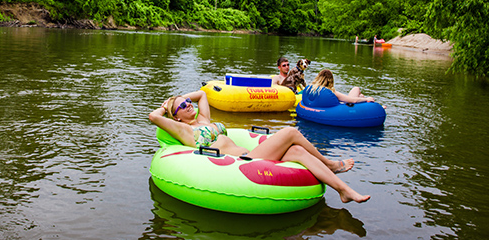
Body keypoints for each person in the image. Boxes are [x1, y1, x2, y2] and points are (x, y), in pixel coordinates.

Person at [148, 90, 371, 204]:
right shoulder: (184, 131)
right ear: (175, 117)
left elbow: (202, 94)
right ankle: (330, 163)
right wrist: (166, 105)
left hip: (251, 154)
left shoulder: (204, 119)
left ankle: (344, 191)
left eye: (188, 103)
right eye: (182, 106)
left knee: (297, 151)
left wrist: (178, 97)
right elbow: (153, 117)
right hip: (243, 163)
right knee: (291, 132)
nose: (188, 105)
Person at [307, 69, 375, 103]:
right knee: (356, 89)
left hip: (322, 108)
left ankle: (364, 100)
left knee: (361, 96)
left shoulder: (311, 87)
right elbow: (352, 100)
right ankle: (372, 105)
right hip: (341, 108)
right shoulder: (330, 91)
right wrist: (366, 99)